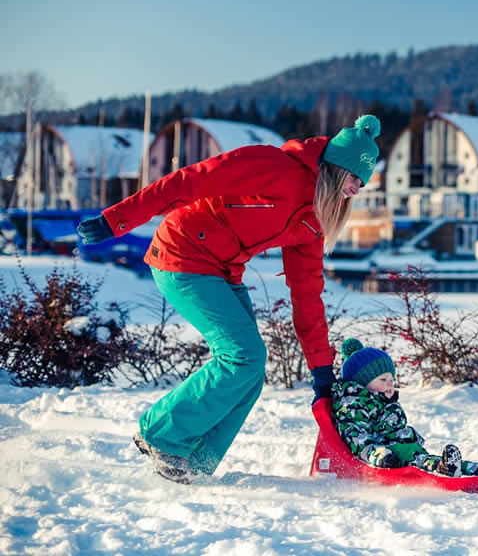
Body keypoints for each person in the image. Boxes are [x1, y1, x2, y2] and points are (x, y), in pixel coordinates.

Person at [77, 115, 384, 483]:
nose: (357, 189)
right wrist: (117, 220)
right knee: (243, 356)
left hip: (223, 269)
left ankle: (197, 464)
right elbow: (190, 180)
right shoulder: (272, 165)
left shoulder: (315, 221)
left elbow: (308, 295)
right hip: (182, 255)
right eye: (355, 178)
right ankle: (161, 434)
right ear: (338, 167)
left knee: (252, 373)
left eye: (362, 184)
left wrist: (321, 371)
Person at [331, 338, 478, 477]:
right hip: (386, 455)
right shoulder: (353, 405)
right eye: (383, 380)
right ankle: (443, 469)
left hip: (400, 447)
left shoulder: (383, 401)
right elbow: (355, 435)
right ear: (362, 383)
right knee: (421, 461)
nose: (390, 385)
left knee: (423, 458)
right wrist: (378, 455)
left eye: (391, 380)